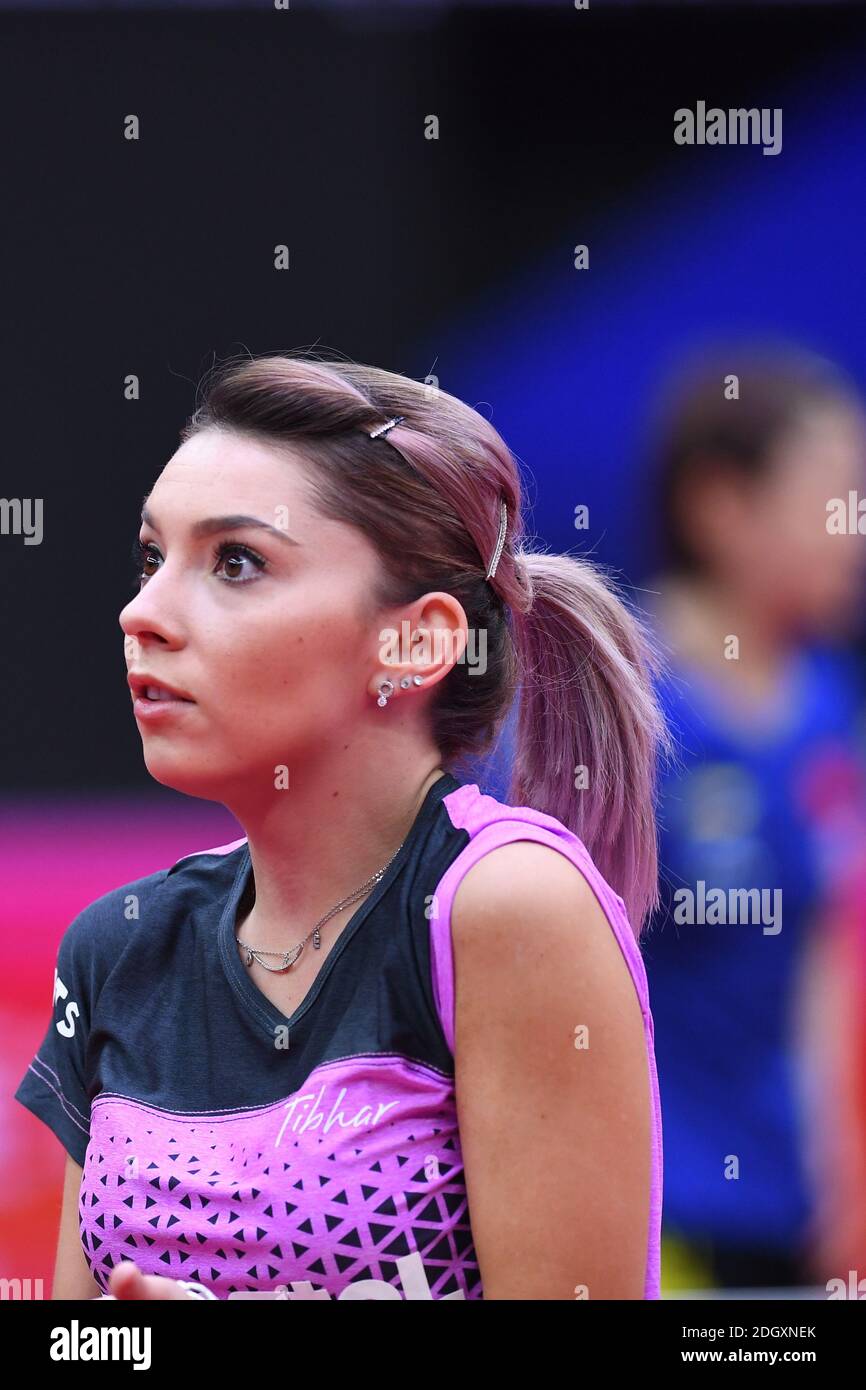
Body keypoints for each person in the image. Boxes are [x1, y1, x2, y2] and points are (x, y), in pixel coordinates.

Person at [15, 353, 669, 1301]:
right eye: (153, 559)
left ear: (418, 640)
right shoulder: (119, 945)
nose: (141, 613)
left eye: (236, 563)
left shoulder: (508, 907)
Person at [637, 344, 866, 1291]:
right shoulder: (622, 708)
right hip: (659, 1209)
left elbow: (822, 955)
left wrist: (843, 1179)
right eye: (831, 500)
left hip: (798, 1213)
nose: (851, 533)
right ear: (720, 505)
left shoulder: (826, 706)